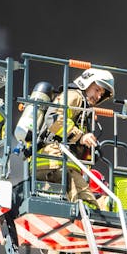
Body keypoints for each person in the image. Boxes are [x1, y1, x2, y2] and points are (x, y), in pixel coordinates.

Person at [33, 68, 115, 211]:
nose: (98, 96)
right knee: (88, 205)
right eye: (97, 89)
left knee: (86, 206)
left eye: (101, 94)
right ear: (86, 83)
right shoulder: (74, 96)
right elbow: (54, 119)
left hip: (59, 164)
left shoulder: (84, 108)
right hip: (56, 161)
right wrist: (81, 136)